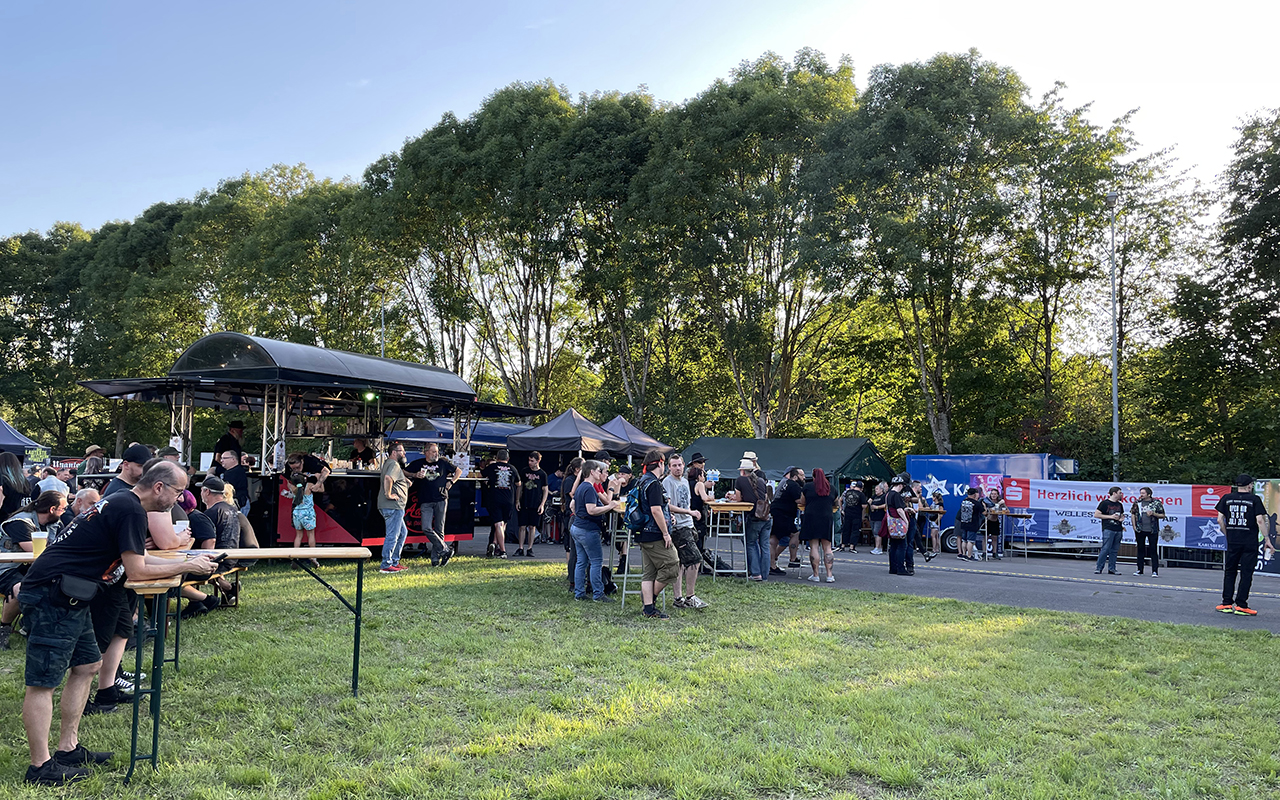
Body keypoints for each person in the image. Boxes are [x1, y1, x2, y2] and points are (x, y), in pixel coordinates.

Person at [18, 461, 216, 785]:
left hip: (73, 592)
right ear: (159, 488)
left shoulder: (123, 501)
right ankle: (40, 767)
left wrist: (185, 562)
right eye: (179, 492)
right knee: (43, 681)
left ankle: (68, 749)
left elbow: (136, 557)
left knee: (87, 666)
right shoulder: (131, 509)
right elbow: (136, 571)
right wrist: (189, 566)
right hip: (52, 592)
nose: (181, 499)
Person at [0, 491, 69, 649]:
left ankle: (31, 624)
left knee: (61, 583)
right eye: (63, 509)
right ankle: (4, 628)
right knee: (21, 589)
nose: (65, 512)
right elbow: (35, 551)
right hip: (6, 567)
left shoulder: (55, 523)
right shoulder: (20, 522)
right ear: (52, 509)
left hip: (31, 567)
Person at [1215, 474, 1272, 616]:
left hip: (1233, 541)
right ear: (1249, 486)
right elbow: (1260, 520)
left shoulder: (1227, 498)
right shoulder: (1254, 500)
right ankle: (1241, 604)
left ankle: (1226, 603)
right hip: (1249, 541)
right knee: (1246, 573)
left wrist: (1227, 533)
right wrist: (1267, 539)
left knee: (1230, 571)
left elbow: (1219, 520)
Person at [570, 460, 623, 601]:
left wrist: (579, 516)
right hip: (588, 529)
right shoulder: (589, 488)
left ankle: (579, 593)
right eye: (599, 471)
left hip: (577, 526)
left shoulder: (582, 487)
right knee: (596, 561)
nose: (600, 473)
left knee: (581, 561)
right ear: (592, 472)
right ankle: (598, 594)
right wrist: (610, 506)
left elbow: (572, 505)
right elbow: (592, 510)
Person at [634, 449, 676, 619]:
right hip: (654, 533)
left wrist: (668, 516)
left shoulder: (641, 481)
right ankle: (649, 599)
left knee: (649, 573)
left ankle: (649, 609)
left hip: (642, 532)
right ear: (660, 463)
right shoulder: (654, 484)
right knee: (673, 565)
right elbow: (656, 510)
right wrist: (665, 533)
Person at [405, 442, 460, 567]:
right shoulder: (418, 463)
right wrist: (414, 475)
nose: (436, 454)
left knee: (440, 530)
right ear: (426, 452)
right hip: (425, 500)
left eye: (437, 452)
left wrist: (451, 482)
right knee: (426, 527)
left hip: (441, 498)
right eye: (433, 452)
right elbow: (403, 471)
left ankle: (435, 560)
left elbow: (458, 471)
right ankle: (445, 550)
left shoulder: (443, 463)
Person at [663, 453, 707, 609]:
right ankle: (690, 596)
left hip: (688, 525)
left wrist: (689, 514)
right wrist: (689, 512)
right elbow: (666, 505)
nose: (677, 468)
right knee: (695, 559)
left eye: (679, 465)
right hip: (678, 527)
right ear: (669, 467)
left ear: (684, 466)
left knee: (681, 563)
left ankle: (678, 599)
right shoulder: (667, 482)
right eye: (674, 465)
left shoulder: (684, 481)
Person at [377, 442, 412, 574]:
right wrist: (389, 494)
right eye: (401, 451)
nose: (404, 454)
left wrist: (405, 480)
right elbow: (388, 478)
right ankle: (386, 564)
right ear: (394, 453)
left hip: (393, 506)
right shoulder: (394, 464)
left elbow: (393, 477)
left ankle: (394, 561)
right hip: (393, 506)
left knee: (403, 533)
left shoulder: (389, 463)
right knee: (393, 535)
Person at [733, 459, 769, 581]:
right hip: (766, 516)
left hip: (754, 517)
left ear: (742, 471)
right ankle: (764, 575)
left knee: (751, 543)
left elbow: (738, 499)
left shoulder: (740, 480)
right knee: (765, 546)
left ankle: (755, 573)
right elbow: (764, 497)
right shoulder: (760, 480)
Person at [800, 468, 836, 582]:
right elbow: (837, 502)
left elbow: (802, 501)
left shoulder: (807, 487)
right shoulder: (832, 488)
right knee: (827, 547)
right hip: (826, 517)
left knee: (814, 546)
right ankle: (829, 575)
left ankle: (815, 575)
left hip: (811, 517)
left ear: (813, 477)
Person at [481, 449, 518, 559]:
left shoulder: (492, 467)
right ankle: (495, 543)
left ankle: (502, 551)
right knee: (503, 524)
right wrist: (517, 499)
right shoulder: (513, 468)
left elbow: (482, 474)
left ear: (497, 458)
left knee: (498, 524)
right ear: (508, 459)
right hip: (509, 499)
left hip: (495, 498)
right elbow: (519, 483)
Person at [769, 467, 805, 573]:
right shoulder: (794, 485)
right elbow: (799, 500)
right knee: (795, 534)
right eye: (801, 475)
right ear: (795, 476)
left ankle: (771, 564)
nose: (804, 478)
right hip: (784, 514)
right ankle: (793, 559)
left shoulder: (785, 483)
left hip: (776, 512)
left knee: (774, 539)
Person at [516, 452, 549, 557]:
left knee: (532, 526)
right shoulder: (524, 471)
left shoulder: (542, 474)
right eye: (529, 460)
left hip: (535, 503)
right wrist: (517, 500)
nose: (530, 463)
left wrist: (542, 504)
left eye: (532, 461)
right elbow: (520, 487)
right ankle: (520, 547)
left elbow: (545, 490)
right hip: (524, 501)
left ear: (538, 461)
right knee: (522, 526)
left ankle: (530, 548)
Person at [285, 472, 320, 568]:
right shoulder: (309, 486)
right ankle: (313, 557)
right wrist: (317, 479)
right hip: (307, 513)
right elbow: (321, 489)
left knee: (298, 535)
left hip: (296, 513)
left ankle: (295, 557)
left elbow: (290, 483)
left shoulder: (292, 488)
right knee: (311, 535)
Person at [559, 457, 584, 586]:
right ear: (577, 469)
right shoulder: (570, 480)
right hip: (571, 515)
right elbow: (573, 495)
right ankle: (572, 578)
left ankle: (580, 577)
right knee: (573, 549)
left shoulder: (581, 480)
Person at [1130, 487, 1165, 577]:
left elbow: (1162, 515)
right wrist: (1134, 526)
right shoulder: (1137, 503)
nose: (1141, 495)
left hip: (1152, 529)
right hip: (1140, 529)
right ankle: (1139, 569)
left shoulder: (1156, 503)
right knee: (1140, 549)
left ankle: (1154, 571)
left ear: (1149, 494)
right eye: (1140, 493)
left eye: (1143, 493)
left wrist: (1154, 514)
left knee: (1153, 549)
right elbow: (1133, 514)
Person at [1092, 486, 1125, 575]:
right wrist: (1110, 517)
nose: (1121, 494)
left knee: (1114, 550)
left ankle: (1112, 568)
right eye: (1119, 493)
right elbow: (1097, 514)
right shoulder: (1104, 503)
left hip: (1118, 528)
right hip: (1108, 528)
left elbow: (1122, 514)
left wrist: (1121, 518)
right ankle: (1099, 567)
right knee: (1106, 548)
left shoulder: (1119, 504)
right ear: (1114, 493)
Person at [885, 475, 913, 576]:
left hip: (891, 523)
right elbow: (899, 509)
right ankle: (901, 568)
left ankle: (893, 568)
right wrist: (906, 521)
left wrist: (906, 509)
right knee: (902, 546)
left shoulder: (888, 495)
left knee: (893, 546)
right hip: (898, 523)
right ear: (900, 485)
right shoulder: (896, 495)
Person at [213, 450, 250, 515]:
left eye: (224, 458)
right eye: (221, 458)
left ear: (233, 459)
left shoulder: (235, 472)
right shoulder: (229, 471)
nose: (221, 460)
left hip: (238, 504)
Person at [837, 480, 865, 553]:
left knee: (846, 529)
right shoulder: (861, 494)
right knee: (855, 530)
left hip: (847, 513)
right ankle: (852, 547)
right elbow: (863, 506)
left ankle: (842, 545)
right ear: (861, 487)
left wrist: (841, 509)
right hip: (856, 514)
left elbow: (841, 500)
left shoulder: (848, 492)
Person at [956, 487, 983, 561]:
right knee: (970, 541)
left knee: (964, 540)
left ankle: (964, 554)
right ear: (974, 494)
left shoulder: (964, 501)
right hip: (972, 524)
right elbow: (984, 512)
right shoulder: (976, 503)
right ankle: (969, 555)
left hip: (964, 522)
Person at [982, 487, 1007, 561]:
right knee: (985, 537)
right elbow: (990, 509)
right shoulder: (986, 501)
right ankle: (984, 553)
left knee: (995, 537)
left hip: (995, 521)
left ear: (997, 495)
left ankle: (994, 553)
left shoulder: (1000, 501)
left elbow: (1007, 510)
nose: (993, 495)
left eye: (995, 494)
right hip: (987, 520)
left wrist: (1003, 504)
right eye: (992, 494)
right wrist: (998, 504)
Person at [868, 481, 888, 554]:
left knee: (877, 532)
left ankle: (878, 547)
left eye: (877, 489)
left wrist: (877, 507)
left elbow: (886, 505)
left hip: (880, 517)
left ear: (881, 490)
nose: (875, 490)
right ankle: (876, 547)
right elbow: (869, 501)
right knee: (874, 532)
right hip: (873, 516)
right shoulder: (874, 497)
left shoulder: (883, 496)